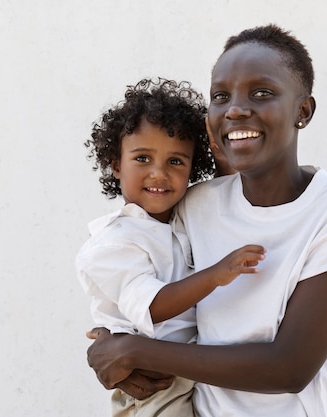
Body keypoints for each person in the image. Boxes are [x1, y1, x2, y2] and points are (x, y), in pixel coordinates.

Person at [86, 24, 327, 417]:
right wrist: (112, 351)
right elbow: (131, 271)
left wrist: (135, 352)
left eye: (261, 93)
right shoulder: (196, 205)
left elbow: (289, 368)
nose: (235, 108)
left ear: (303, 110)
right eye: (220, 96)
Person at [76, 78, 266, 417]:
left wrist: (222, 153)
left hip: (192, 369)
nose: (159, 174)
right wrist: (216, 275)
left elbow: (227, 195)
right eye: (143, 158)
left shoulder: (185, 215)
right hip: (152, 382)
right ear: (115, 164)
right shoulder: (114, 241)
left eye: (176, 161)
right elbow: (152, 306)